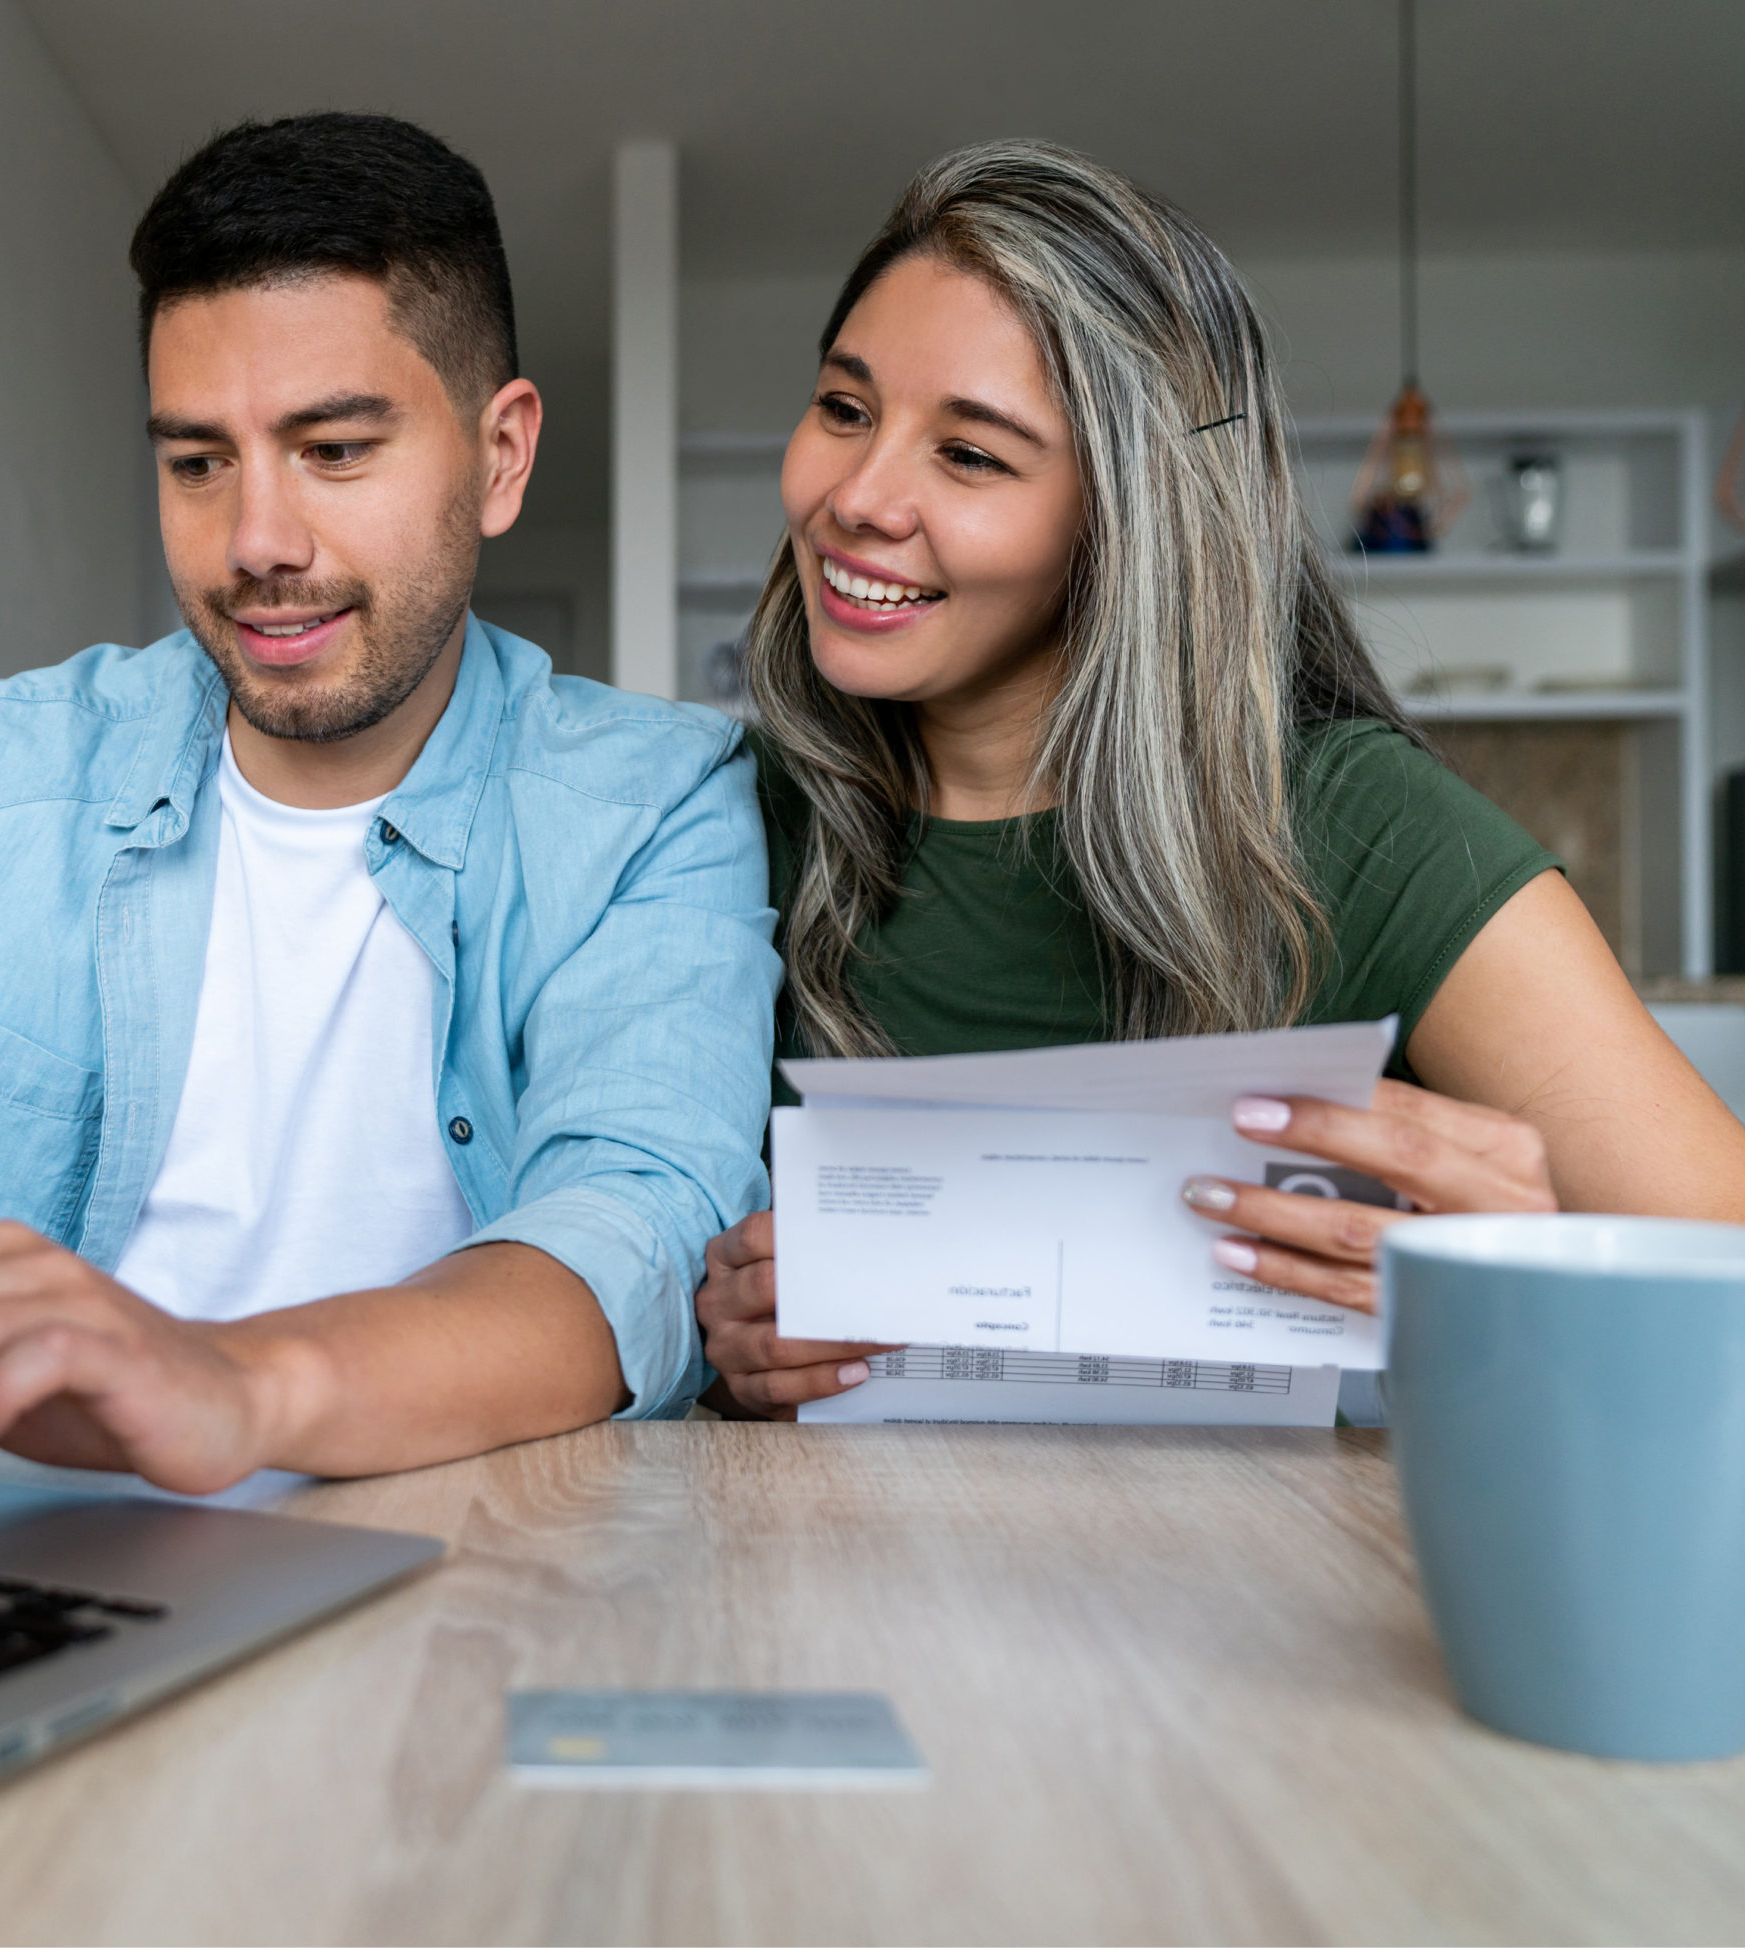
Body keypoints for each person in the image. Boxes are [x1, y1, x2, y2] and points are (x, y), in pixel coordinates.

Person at [0, 114, 777, 1488]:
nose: (257, 543)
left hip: (446, 1560)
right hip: (0, 1553)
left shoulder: (655, 800)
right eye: (198, 461)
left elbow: (633, 1234)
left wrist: (233, 1382)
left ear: (500, 455)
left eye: (335, 450)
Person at [698, 140, 1745, 1418]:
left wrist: (1524, 1283)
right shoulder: (713, 824)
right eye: (845, 409)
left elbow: (1720, 1290)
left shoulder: (1359, 833)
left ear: (1136, 524)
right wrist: (708, 1344)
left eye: (970, 456)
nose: (855, 498)